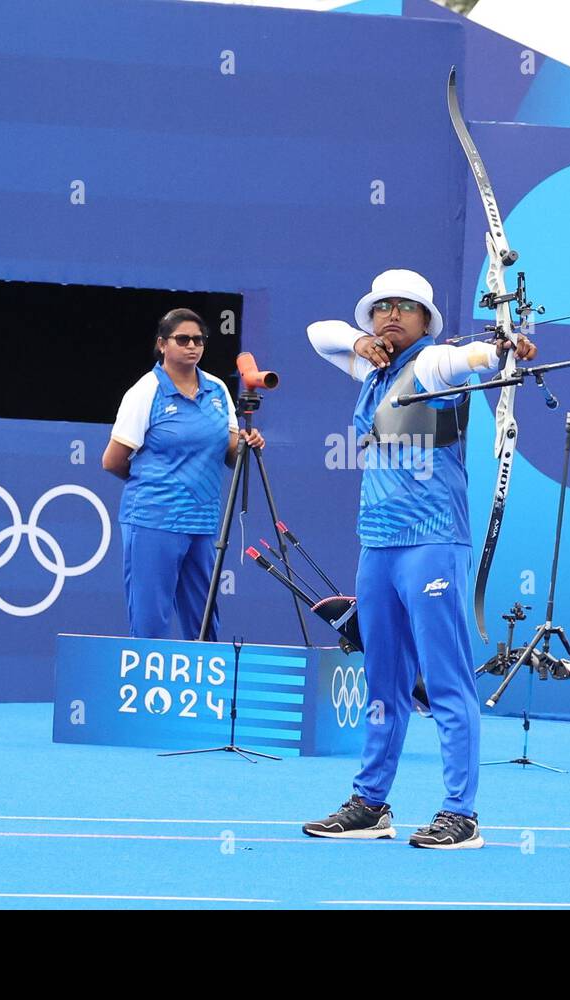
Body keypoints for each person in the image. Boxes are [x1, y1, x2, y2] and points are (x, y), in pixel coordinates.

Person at [301, 269, 535, 849]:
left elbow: (469, 360)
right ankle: (371, 803)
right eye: (382, 308)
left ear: (427, 321)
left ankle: (461, 814)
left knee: (446, 680)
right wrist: (359, 344)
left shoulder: (433, 363)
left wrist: (502, 346)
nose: (391, 316)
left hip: (432, 542)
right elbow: (316, 332)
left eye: (406, 308)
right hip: (377, 547)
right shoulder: (368, 370)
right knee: (384, 682)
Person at [101, 308, 264, 640]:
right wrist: (158, 485)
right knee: (150, 620)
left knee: (203, 622)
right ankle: (149, 689)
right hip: (153, 521)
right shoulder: (145, 392)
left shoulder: (218, 389)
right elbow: (113, 460)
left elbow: (231, 454)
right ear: (162, 344)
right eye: (183, 339)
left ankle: (204, 692)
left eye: (199, 339)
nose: (192, 346)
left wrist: (248, 444)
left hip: (202, 524)